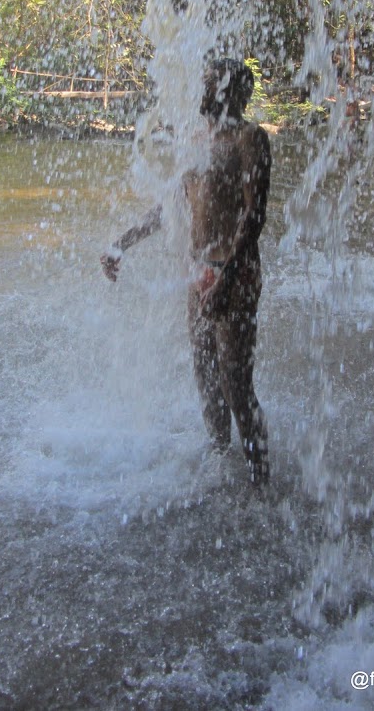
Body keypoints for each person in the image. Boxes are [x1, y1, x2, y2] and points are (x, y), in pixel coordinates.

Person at [101, 57, 272, 485]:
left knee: (235, 383)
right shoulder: (197, 140)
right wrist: (123, 242)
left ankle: (261, 482)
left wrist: (227, 277)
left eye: (211, 83)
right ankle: (221, 466)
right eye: (204, 82)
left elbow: (254, 215)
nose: (202, 90)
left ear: (233, 91)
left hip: (234, 272)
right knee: (207, 377)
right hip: (200, 273)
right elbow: (172, 206)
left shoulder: (250, 139)